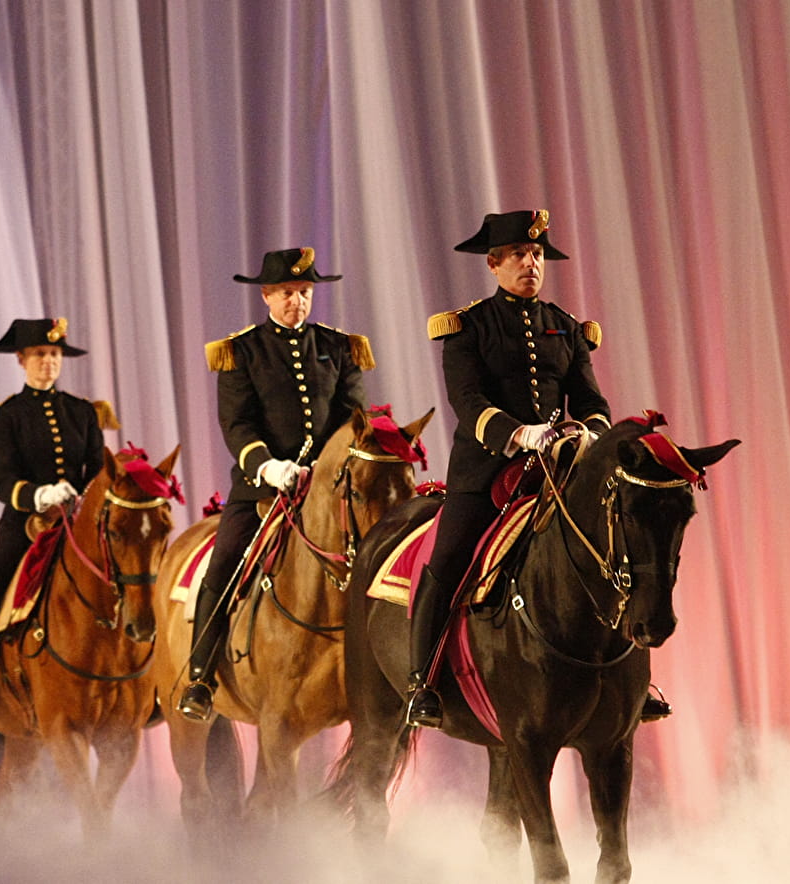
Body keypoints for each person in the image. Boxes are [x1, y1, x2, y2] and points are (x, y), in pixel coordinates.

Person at [405, 210, 670, 728]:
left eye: (538, 255)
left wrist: (591, 431)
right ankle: (423, 684)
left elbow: (591, 398)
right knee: (450, 558)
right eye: (521, 255)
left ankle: (634, 681)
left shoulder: (568, 328)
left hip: (559, 468)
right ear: (494, 263)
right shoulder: (468, 326)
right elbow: (466, 399)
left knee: (617, 545)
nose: (532, 263)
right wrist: (516, 433)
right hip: (487, 473)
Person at [177, 248, 372, 721]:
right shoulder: (241, 351)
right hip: (262, 488)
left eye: (304, 292)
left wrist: (330, 470)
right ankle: (201, 677)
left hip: (327, 493)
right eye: (287, 292)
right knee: (222, 563)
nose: (297, 302)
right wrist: (270, 467)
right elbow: (237, 425)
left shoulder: (339, 347)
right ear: (266, 295)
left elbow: (354, 419)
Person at [0, 317, 117, 720]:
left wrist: (86, 500)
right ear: (22, 360)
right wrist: (40, 495)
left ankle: (145, 681)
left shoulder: (83, 412)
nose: (48, 362)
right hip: (26, 523)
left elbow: (98, 471)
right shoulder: (5, 415)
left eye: (55, 354)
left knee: (128, 576)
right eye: (40, 355)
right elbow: (3, 481)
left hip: (77, 523)